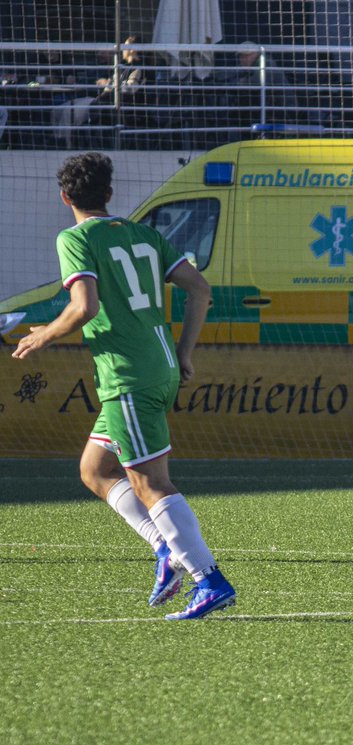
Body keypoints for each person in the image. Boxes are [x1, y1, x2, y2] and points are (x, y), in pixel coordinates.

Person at [11, 153, 236, 620]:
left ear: (65, 197)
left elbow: (85, 307)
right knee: (95, 469)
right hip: (157, 364)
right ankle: (166, 550)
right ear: (109, 195)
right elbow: (200, 289)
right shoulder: (146, 234)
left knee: (149, 481)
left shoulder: (74, 238)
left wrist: (42, 335)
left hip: (129, 373)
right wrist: (185, 351)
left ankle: (208, 579)